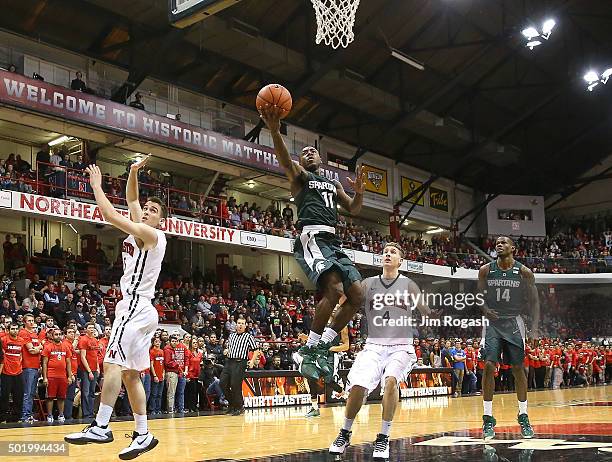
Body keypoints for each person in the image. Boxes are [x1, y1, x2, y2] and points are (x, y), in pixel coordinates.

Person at [65, 154, 166, 460]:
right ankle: (143, 434)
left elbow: (110, 215)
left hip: (135, 306)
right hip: (141, 309)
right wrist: (133, 171)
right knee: (131, 375)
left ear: (161, 220)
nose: (145, 212)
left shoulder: (152, 234)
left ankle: (101, 425)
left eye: (153, 211)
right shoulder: (140, 225)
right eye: (146, 209)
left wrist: (96, 186)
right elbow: (132, 197)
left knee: (112, 364)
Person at [260, 106, 366, 381]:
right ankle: (307, 349)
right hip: (312, 236)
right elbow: (285, 161)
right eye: (303, 152)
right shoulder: (301, 178)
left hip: (334, 239)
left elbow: (354, 209)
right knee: (333, 289)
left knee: (357, 296)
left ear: (321, 158)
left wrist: (360, 192)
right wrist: (274, 130)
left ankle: (322, 344)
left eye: (313, 151)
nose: (308, 153)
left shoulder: (333, 184)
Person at [328, 243, 430, 459]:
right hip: (374, 346)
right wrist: (338, 303)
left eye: (393, 252)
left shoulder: (409, 285)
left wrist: (434, 314)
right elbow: (347, 300)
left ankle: (383, 437)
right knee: (358, 386)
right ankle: (345, 432)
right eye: (385, 252)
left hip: (400, 347)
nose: (388, 254)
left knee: (391, 380)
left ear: (400, 261)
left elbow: (425, 310)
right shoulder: (368, 284)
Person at [478, 236, 540, 441]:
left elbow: (534, 302)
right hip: (494, 323)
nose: (499, 244)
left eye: (504, 242)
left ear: (513, 248)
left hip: (514, 322)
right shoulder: (485, 270)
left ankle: (523, 415)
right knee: (488, 366)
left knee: (517, 368)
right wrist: (486, 310)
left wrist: (534, 329)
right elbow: (480, 297)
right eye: (498, 242)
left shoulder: (524, 272)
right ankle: (487, 418)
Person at [220, 317, 261, 415]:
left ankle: (239, 406)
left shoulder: (248, 336)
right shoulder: (231, 336)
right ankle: (232, 404)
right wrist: (227, 351)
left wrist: (252, 361)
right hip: (229, 361)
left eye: (242, 323)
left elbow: (256, 350)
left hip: (240, 362)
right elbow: (229, 347)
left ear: (245, 325)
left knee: (235, 385)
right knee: (222, 383)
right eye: (238, 323)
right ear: (236, 325)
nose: (240, 325)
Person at [42, 328, 73, 423]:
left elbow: (68, 363)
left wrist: (69, 376)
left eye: (60, 334)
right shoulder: (48, 347)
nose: (58, 336)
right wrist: (45, 378)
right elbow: (44, 363)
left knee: (61, 397)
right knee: (50, 397)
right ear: (52, 336)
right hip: (51, 376)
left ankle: (61, 414)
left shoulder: (65, 347)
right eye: (56, 334)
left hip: (63, 376)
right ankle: (50, 415)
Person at [18, 313, 43, 423]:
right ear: (24, 322)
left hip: (35, 366)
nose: (31, 322)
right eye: (29, 321)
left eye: (33, 320)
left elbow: (36, 350)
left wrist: (38, 349)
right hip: (27, 367)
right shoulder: (23, 333)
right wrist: (41, 346)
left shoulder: (34, 334)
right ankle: (25, 416)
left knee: (32, 393)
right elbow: (32, 350)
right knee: (27, 393)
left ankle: (29, 415)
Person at [0, 323, 25, 423]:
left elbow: (21, 354)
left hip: (18, 372)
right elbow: (1, 356)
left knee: (19, 396)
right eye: (12, 329)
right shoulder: (3, 340)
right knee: (4, 396)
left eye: (16, 329)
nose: (14, 330)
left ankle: (16, 418)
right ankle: (2, 418)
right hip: (6, 372)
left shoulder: (21, 341)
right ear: (8, 330)